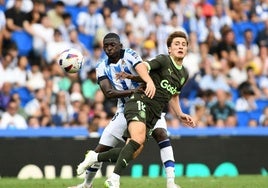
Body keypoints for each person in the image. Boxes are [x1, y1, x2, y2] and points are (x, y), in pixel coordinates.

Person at [75, 31, 196, 188]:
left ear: (120, 46)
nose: (109, 48)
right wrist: (140, 87)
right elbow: (109, 92)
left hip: (151, 106)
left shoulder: (131, 54)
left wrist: (179, 114)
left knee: (153, 138)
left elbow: (145, 70)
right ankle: (86, 184)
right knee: (103, 147)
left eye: (112, 45)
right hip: (129, 105)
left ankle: (171, 182)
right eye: (106, 46)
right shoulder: (101, 67)